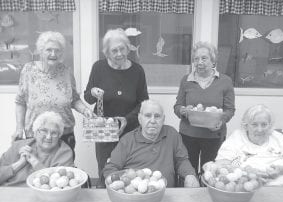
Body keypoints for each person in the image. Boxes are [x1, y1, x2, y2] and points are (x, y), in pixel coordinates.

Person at [84, 28, 149, 187]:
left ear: (128, 48)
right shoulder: (98, 68)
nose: (119, 53)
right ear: (107, 52)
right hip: (104, 129)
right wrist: (93, 92)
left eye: (122, 49)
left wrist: (126, 120)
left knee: (129, 171)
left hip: (130, 129)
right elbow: (87, 97)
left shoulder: (137, 71)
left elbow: (143, 102)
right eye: (114, 50)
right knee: (105, 169)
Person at [13, 31, 94, 158]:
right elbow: (20, 101)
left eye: (57, 50)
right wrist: (19, 127)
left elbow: (74, 99)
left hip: (64, 134)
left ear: (61, 53)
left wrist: (86, 111)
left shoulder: (66, 71)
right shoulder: (28, 70)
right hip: (36, 135)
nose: (53, 54)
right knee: (37, 172)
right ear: (40, 51)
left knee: (63, 173)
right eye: (48, 50)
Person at [103, 100, 199, 188]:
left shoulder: (172, 134)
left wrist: (189, 175)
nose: (152, 121)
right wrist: (120, 184)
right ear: (140, 119)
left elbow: (181, 160)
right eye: (148, 116)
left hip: (166, 194)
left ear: (163, 119)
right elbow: (111, 168)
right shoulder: (127, 140)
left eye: (157, 116)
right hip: (135, 196)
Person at [174, 41, 235, 175]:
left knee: (211, 174)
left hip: (214, 136)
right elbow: (177, 106)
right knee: (188, 173)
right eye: (196, 59)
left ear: (213, 61)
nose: (199, 62)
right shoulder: (186, 80)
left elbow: (230, 109)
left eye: (204, 58)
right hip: (188, 135)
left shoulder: (225, 81)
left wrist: (221, 121)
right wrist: (183, 111)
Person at [215, 104, 283, 186]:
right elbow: (220, 166)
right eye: (254, 124)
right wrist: (246, 172)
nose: (260, 129)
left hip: (282, 188)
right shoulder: (236, 138)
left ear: (269, 125)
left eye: (264, 124)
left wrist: (281, 170)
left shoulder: (277, 138)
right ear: (246, 125)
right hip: (246, 189)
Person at [0, 111, 74, 186]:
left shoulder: (64, 153)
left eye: (54, 133)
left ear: (59, 136)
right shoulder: (18, 146)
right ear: (35, 133)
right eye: (44, 131)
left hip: (40, 196)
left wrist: (35, 162)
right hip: (6, 192)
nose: (48, 137)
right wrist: (19, 164)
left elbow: (60, 185)